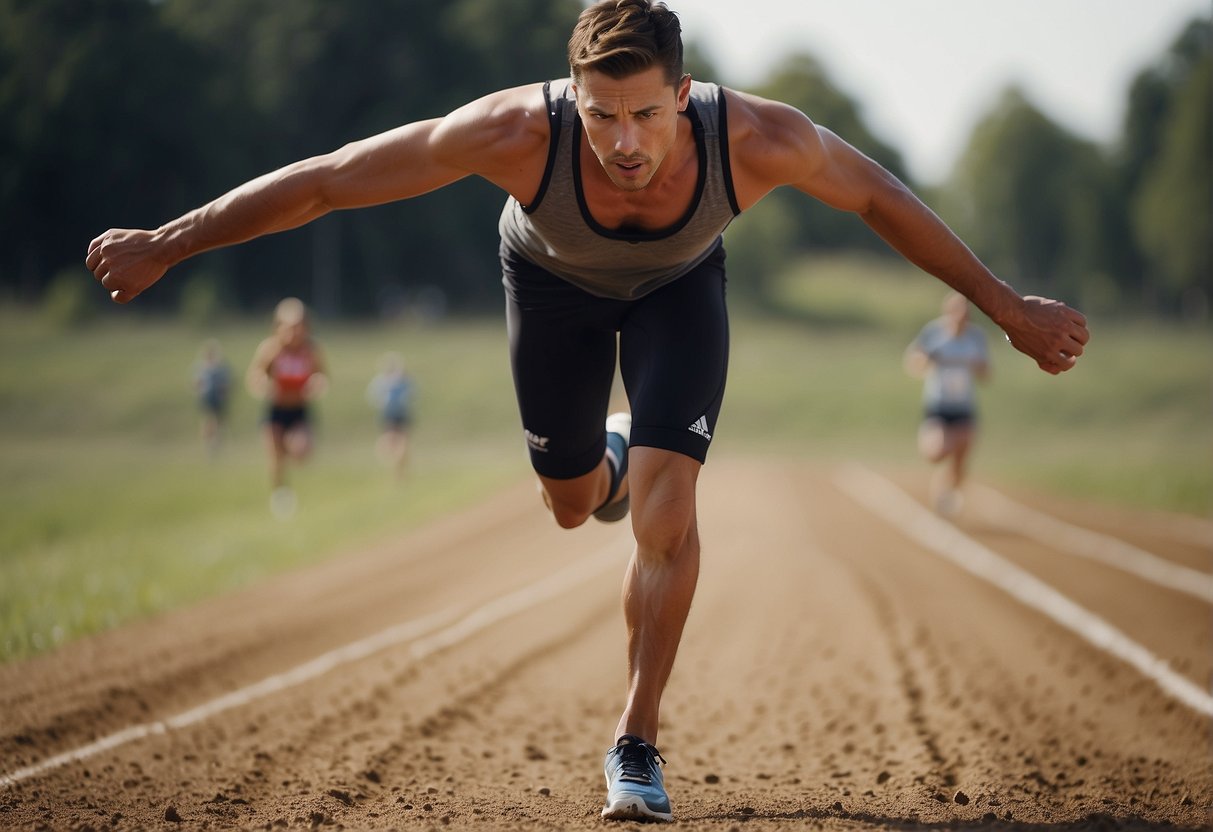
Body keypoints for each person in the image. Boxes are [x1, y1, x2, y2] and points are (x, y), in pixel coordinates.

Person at [85, 0, 1090, 820]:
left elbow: (878, 198)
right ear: (571, 99)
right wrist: (171, 242)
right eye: (600, 115)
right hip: (551, 289)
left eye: (645, 115)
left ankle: (635, 740)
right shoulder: (516, 133)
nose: (621, 141)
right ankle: (602, 460)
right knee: (571, 503)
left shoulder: (755, 137)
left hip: (678, 294)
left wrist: (1007, 310)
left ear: (683, 96)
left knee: (666, 514)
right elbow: (334, 181)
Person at [904, 292, 990, 516]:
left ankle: (946, 493)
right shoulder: (934, 333)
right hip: (938, 404)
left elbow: (986, 374)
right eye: (956, 312)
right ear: (948, 313)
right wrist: (926, 359)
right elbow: (913, 362)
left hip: (964, 406)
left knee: (962, 458)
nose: (961, 317)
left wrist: (977, 366)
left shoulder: (976, 337)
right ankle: (942, 474)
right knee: (937, 453)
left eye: (965, 313)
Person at [246, 297, 328, 517]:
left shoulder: (311, 349)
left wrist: (317, 384)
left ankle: (291, 453)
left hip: (299, 411)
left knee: (301, 450)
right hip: (275, 411)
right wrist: (265, 386)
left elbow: (322, 375)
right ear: (278, 327)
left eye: (299, 326)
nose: (295, 333)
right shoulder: (271, 349)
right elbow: (255, 375)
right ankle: (281, 496)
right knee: (275, 458)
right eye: (290, 327)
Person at [367, 351, 415, 479]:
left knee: (403, 444)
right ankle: (394, 463)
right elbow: (374, 397)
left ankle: (400, 470)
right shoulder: (381, 381)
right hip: (388, 415)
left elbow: (410, 395)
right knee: (390, 441)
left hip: (401, 414)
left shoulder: (403, 381)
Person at [193, 338, 232, 458]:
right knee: (208, 422)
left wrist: (224, 394)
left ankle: (216, 444)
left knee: (218, 422)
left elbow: (226, 384)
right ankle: (209, 445)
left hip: (218, 399)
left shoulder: (220, 368)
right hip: (207, 398)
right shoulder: (201, 367)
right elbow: (197, 384)